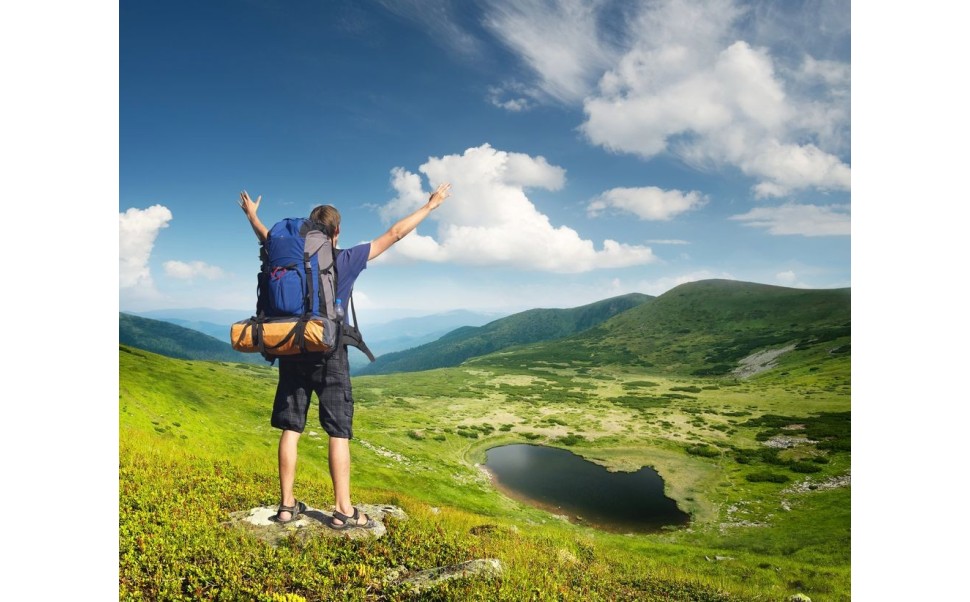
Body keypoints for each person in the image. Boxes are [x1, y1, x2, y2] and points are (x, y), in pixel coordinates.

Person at [238, 182, 452, 528]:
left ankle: (287, 506)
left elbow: (266, 237)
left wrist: (252, 215)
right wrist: (431, 206)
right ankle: (343, 510)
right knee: (338, 431)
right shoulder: (345, 258)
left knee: (291, 429)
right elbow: (395, 233)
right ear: (336, 231)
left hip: (293, 344)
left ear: (309, 231)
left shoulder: (286, 253)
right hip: (329, 351)